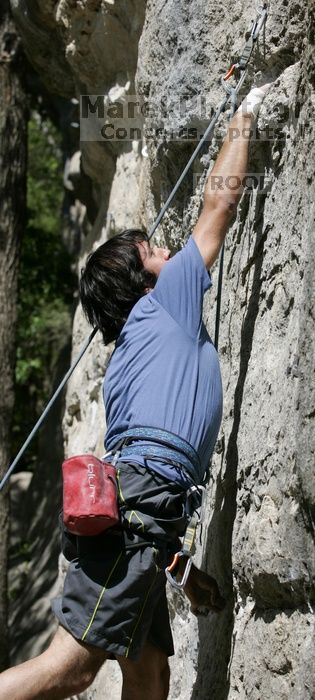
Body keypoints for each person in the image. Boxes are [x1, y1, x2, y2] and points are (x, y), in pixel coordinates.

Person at [0, 83, 269, 700]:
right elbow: (218, 207)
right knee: (70, 668)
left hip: (145, 511)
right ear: (143, 282)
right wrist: (245, 115)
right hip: (146, 502)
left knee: (149, 674)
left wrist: (182, 570)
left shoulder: (128, 358)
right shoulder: (166, 302)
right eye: (150, 252)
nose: (166, 251)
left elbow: (139, 509)